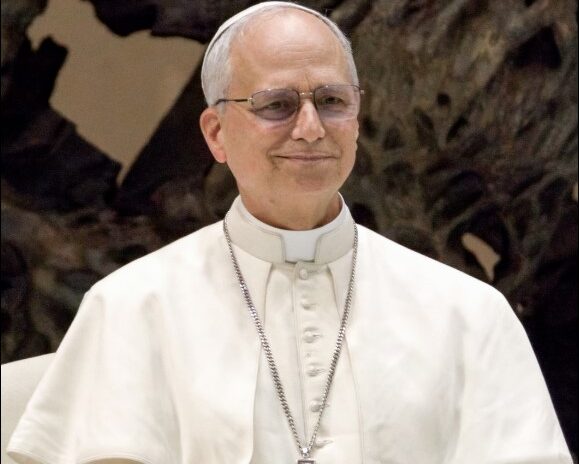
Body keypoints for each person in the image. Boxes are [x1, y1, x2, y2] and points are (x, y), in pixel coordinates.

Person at [6, 2, 573, 463]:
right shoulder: (131, 306)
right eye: (276, 105)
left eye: (331, 101)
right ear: (216, 133)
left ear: (356, 120)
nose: (310, 128)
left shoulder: (470, 314)